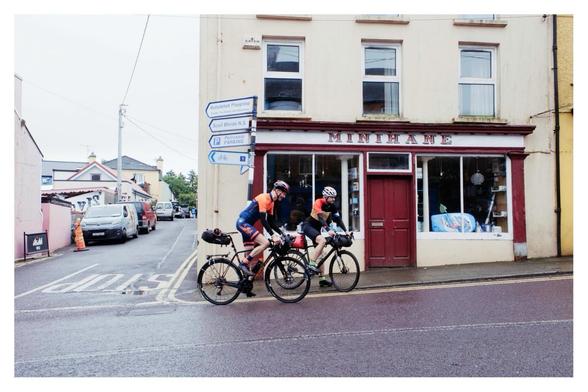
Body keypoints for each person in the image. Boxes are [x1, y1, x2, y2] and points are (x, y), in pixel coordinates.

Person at [236, 180, 289, 295]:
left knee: (250, 254)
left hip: (247, 225)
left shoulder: (272, 202)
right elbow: (263, 221)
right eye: (283, 193)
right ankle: (243, 263)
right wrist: (273, 235)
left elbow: (271, 222)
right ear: (277, 190)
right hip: (243, 223)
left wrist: (281, 233)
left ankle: (246, 286)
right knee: (265, 243)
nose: (284, 196)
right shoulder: (264, 198)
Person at [302, 186, 348, 287]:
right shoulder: (318, 202)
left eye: (334, 197)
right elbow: (320, 218)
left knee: (322, 255)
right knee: (322, 241)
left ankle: (322, 279)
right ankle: (311, 264)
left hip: (317, 230)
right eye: (331, 197)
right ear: (325, 197)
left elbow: (338, 220)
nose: (333, 199)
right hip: (308, 226)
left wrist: (346, 231)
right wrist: (328, 230)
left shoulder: (332, 206)